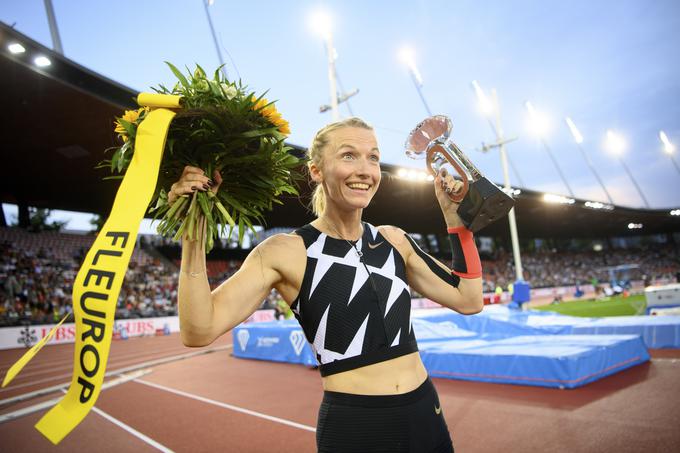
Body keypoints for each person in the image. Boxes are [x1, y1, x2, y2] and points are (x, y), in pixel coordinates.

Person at [171, 117, 483, 452]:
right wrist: (193, 233)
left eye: (373, 157)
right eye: (349, 155)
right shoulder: (286, 252)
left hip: (425, 413)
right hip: (355, 428)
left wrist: (456, 222)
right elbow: (198, 330)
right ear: (316, 171)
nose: (365, 169)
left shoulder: (395, 241)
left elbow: (468, 299)